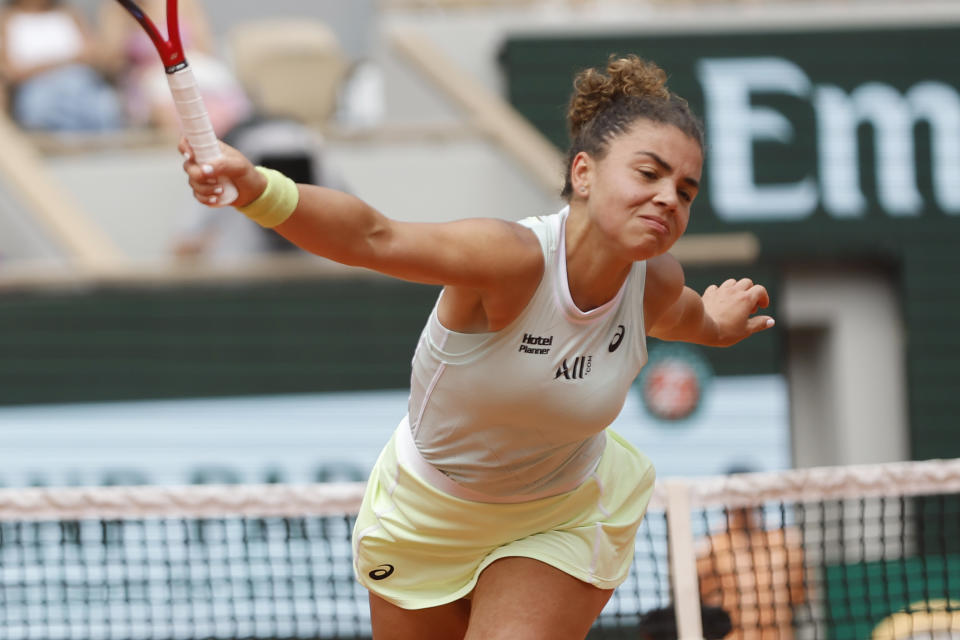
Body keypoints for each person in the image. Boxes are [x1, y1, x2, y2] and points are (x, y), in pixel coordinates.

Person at [179, 54, 776, 640]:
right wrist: (258, 189)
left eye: (686, 190)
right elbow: (374, 237)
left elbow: (688, 318)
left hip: (562, 512)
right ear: (583, 173)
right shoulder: (509, 259)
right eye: (649, 174)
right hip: (427, 513)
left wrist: (720, 325)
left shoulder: (656, 281)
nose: (670, 197)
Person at [98, 0, 250, 135]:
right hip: (151, 83)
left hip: (194, 70)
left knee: (222, 105)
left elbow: (204, 46)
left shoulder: (184, 3)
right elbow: (112, 63)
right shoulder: (116, 9)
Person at [0, 0, 124, 132]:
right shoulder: (7, 19)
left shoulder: (68, 13)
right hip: (38, 91)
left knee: (106, 106)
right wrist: (66, 60)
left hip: (82, 85)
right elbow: (12, 72)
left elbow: (93, 52)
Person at [696, 499, 807, 640]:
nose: (745, 506)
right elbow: (702, 602)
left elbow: (797, 597)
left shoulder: (784, 544)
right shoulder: (710, 548)